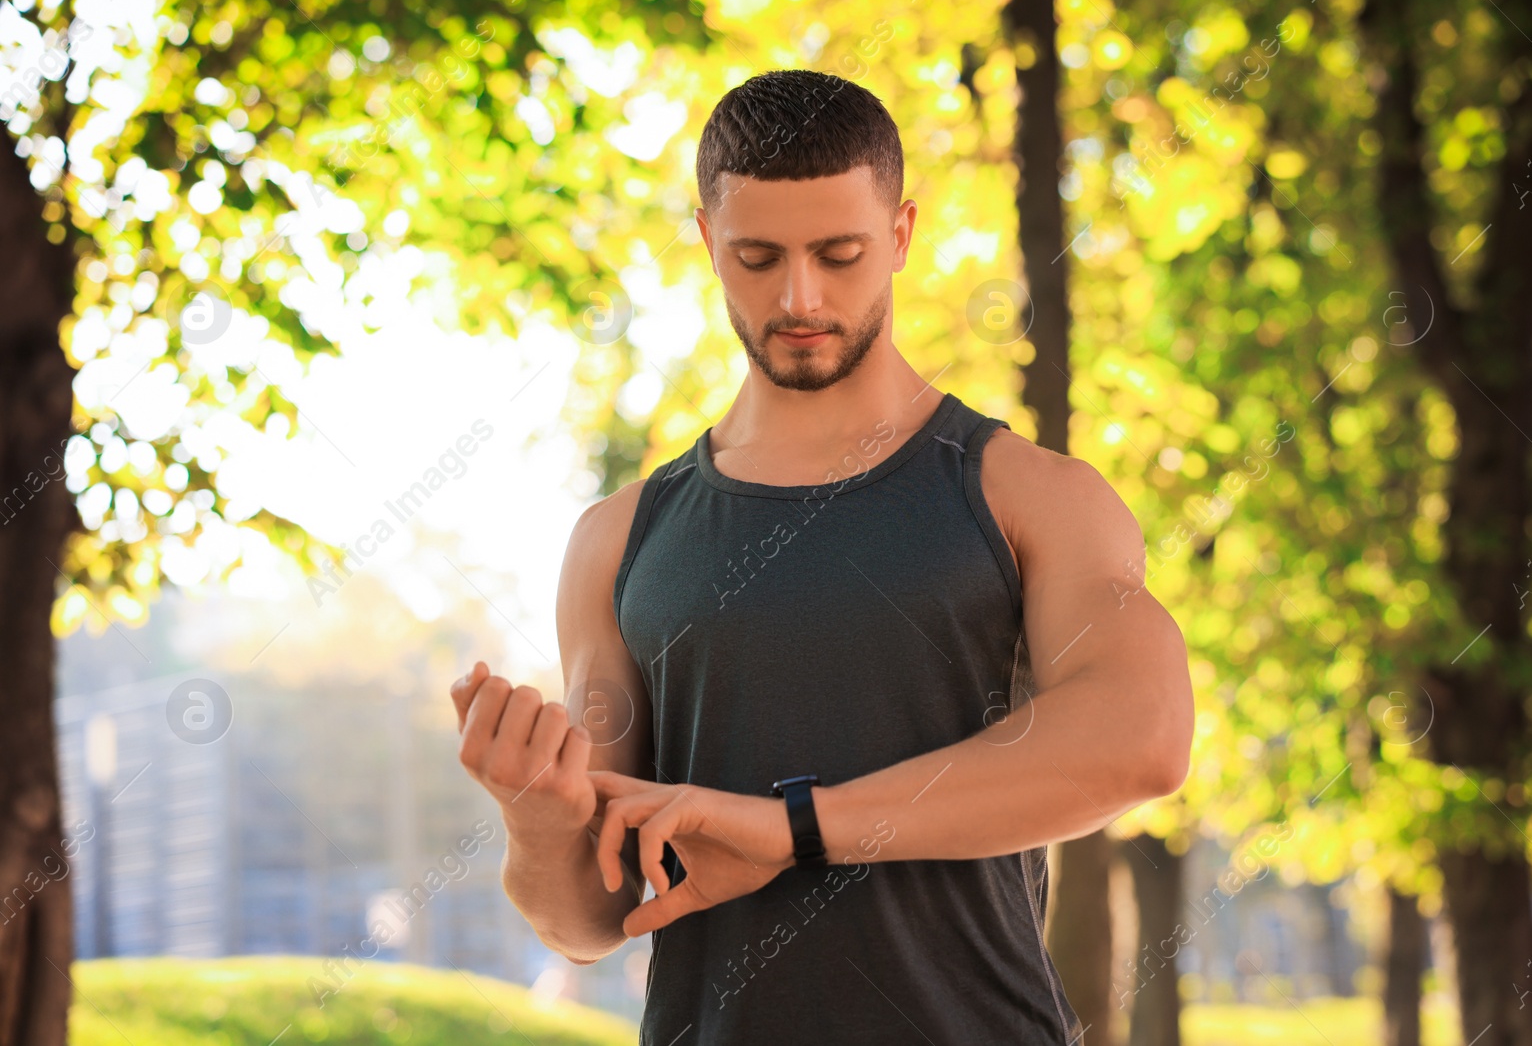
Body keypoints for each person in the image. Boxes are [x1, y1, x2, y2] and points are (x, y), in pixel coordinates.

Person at [451, 68, 1193, 1045]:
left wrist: (793, 827)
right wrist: (536, 817)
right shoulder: (619, 539)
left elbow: (1139, 737)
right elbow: (588, 917)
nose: (800, 297)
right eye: (757, 256)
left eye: (839, 253)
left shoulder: (1031, 496)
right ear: (709, 242)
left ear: (899, 235)